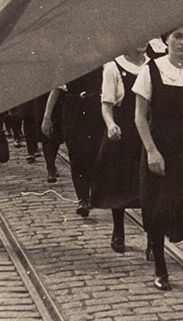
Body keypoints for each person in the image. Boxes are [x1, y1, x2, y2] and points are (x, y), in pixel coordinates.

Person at [134, 21, 183, 306]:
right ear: (166, 40)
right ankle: (160, 268)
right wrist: (152, 152)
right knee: (158, 212)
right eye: (177, 37)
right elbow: (140, 117)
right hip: (161, 152)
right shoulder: (151, 71)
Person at [93, 42, 149, 253]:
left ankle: (152, 236)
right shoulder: (113, 68)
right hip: (123, 129)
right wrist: (111, 125)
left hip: (145, 129)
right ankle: (118, 231)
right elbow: (106, 104)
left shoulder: (152, 66)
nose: (142, 42)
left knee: (147, 184)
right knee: (119, 184)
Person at [42, 66, 105, 218]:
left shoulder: (102, 58)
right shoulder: (68, 62)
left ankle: (91, 193)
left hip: (96, 107)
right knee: (76, 154)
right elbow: (56, 89)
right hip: (73, 108)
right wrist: (47, 117)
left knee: (94, 152)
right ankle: (82, 198)